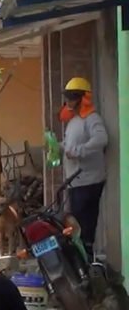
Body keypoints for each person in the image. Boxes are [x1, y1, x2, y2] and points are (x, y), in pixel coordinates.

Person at [60, 77, 108, 258]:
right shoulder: (74, 121)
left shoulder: (92, 119)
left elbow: (101, 139)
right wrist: (58, 147)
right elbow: (70, 146)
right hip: (76, 181)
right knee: (76, 225)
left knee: (84, 227)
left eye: (73, 97)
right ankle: (81, 260)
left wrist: (79, 151)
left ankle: (86, 261)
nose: (69, 101)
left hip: (89, 180)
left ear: (83, 98)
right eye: (68, 97)